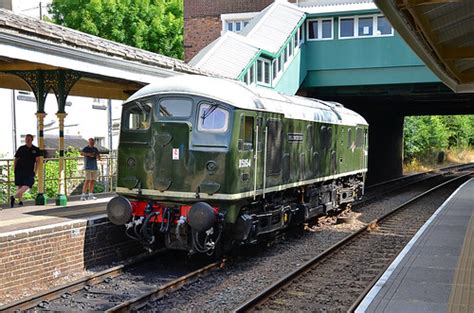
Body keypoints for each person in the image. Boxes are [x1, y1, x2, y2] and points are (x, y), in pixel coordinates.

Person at [11, 134, 41, 208]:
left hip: (29, 170)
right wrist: (14, 169)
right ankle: (20, 201)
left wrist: (36, 171)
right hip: (19, 169)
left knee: (28, 184)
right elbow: (16, 159)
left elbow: (38, 161)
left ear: (32, 140)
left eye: (29, 139)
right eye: (26, 138)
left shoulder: (35, 149)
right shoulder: (21, 148)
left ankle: (13, 196)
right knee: (20, 185)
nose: (27, 140)